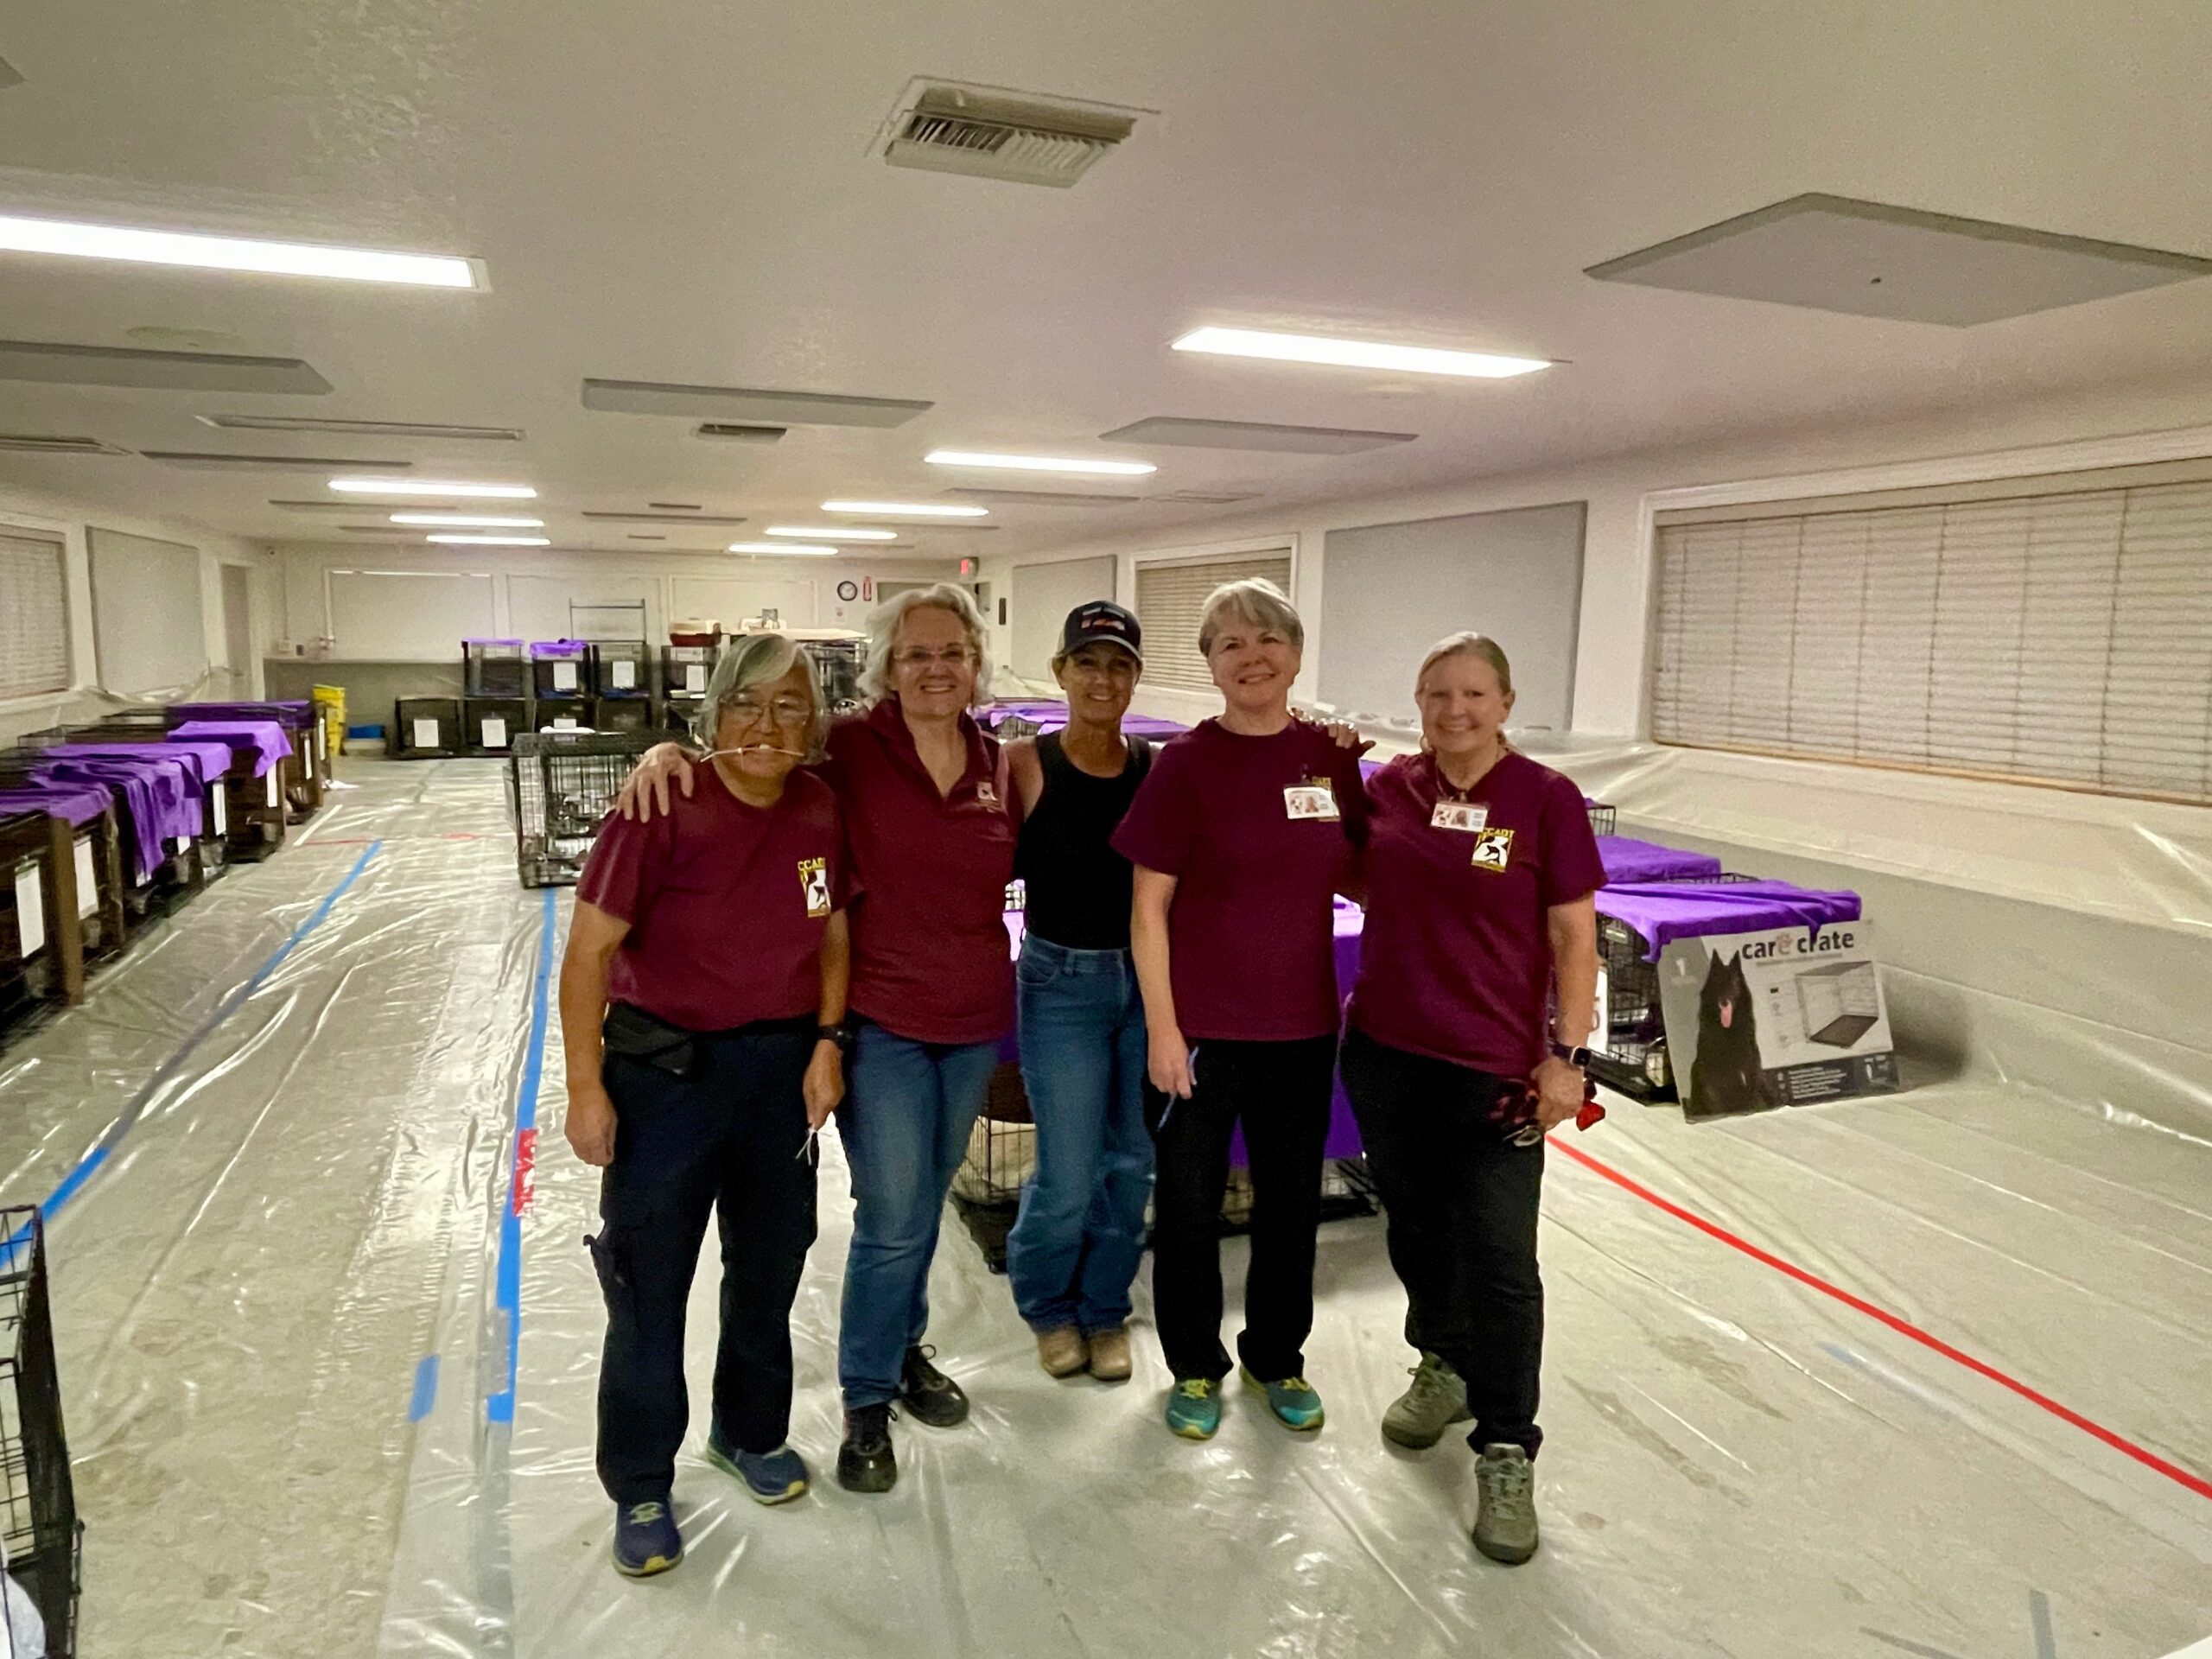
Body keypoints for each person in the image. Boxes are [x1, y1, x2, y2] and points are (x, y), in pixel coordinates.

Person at [617, 587, 1017, 1495]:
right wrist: (667, 749)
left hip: (968, 1023)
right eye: (916, 653)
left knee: (918, 1214)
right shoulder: (849, 748)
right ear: (886, 666)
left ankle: (902, 1345)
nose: (935, 668)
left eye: (952, 652)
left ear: (976, 665)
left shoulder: (1000, 763)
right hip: (878, 1022)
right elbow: (758, 742)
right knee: (893, 1216)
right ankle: (867, 1397)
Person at [560, 632, 849, 1579]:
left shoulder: (817, 808)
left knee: (769, 1268)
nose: (767, 725)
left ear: (813, 724)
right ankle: (641, 1480)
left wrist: (825, 1041)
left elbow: (834, 933)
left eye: (790, 706)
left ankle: (748, 1432)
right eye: (748, 704)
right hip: (665, 1081)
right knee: (648, 1289)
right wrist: (584, 1086)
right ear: (713, 713)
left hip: (778, 1080)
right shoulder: (662, 804)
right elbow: (589, 957)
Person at [1337, 631, 1603, 1567]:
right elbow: (1341, 867)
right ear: (1416, 701)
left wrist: (1565, 1055)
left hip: (1495, 1070)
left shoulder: (1545, 801)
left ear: (1503, 701)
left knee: (1499, 1256)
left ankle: (1504, 1442)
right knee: (1412, 1227)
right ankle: (1442, 1360)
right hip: (1385, 1052)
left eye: (1474, 694)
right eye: (1437, 693)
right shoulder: (1391, 791)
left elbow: (1575, 941)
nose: (1455, 710)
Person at [1110, 577, 1368, 1442]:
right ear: (1210, 666)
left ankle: (1276, 1357)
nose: (1250, 656)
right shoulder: (1185, 763)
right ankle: (1193, 1365)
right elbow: (1147, 908)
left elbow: (1370, 866)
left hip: (1299, 1030)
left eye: (1266, 640)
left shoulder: (1331, 759)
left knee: (1289, 1206)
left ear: (1294, 655)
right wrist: (1162, 1029)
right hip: (1202, 1036)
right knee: (1186, 1209)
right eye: (1229, 643)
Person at [1001, 601, 1154, 1382]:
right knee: (1066, 1170)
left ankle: (1103, 1309)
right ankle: (1046, 1304)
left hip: (1144, 985)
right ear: (1061, 673)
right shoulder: (1025, 766)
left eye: (1119, 664)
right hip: (1060, 983)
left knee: (1130, 1164)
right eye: (1087, 662)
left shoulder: (1153, 770)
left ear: (1135, 678)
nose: (1103, 678)